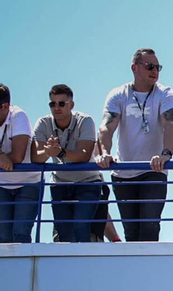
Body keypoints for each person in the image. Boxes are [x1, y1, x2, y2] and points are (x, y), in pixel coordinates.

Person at [97, 48, 173, 242]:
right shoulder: (119, 94)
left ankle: (150, 270)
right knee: (131, 232)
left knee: (150, 225)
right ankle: (135, 271)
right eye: (150, 66)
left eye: (158, 67)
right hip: (123, 173)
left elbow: (172, 124)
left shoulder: (165, 93)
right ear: (134, 68)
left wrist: (166, 154)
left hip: (154, 169)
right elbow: (106, 127)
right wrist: (105, 153)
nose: (155, 71)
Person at [32, 84, 101, 243]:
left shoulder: (85, 121)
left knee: (80, 226)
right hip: (60, 183)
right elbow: (36, 157)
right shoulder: (43, 123)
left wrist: (60, 153)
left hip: (88, 182)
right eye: (52, 103)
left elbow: (84, 155)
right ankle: (70, 266)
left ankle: (82, 266)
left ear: (71, 105)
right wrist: (49, 152)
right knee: (64, 233)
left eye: (61, 103)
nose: (56, 107)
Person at [0, 86, 39, 244]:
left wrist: (4, 157)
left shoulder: (18, 116)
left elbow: (17, 156)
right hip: (2, 184)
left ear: (5, 107)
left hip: (28, 183)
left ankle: (21, 270)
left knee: (21, 235)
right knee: (2, 238)